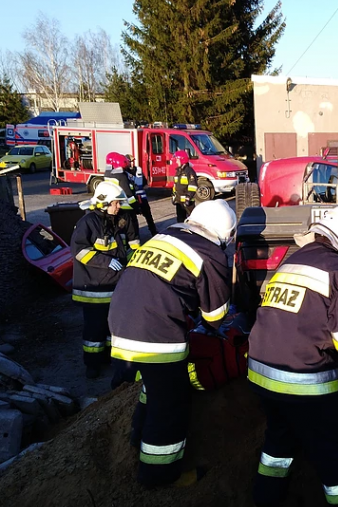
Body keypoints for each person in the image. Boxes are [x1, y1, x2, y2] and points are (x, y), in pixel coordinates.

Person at [247, 205, 338, 507]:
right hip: (302, 379)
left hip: (260, 371)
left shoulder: (289, 262)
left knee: (279, 441)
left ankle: (264, 504)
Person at [108, 199, 235, 487]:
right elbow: (215, 315)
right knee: (172, 404)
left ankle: (137, 436)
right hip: (156, 333)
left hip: (120, 322)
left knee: (153, 388)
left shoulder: (162, 237)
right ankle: (159, 475)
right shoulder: (210, 253)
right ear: (224, 235)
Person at [70, 180, 138, 380]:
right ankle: (92, 364)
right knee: (94, 330)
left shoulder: (120, 219)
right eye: (115, 203)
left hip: (115, 286)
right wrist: (105, 261)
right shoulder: (88, 223)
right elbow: (79, 251)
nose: (119, 206)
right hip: (94, 288)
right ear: (103, 203)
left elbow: (132, 243)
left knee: (112, 325)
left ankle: (109, 358)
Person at [124, 153, 157, 236]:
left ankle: (154, 232)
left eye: (133, 161)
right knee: (132, 219)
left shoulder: (138, 170)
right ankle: (135, 235)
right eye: (130, 161)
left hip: (142, 198)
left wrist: (144, 186)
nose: (132, 163)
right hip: (132, 198)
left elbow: (145, 183)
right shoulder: (124, 173)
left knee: (148, 216)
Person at [172, 150, 198, 223]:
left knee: (193, 221)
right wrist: (174, 196)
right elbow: (175, 186)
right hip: (179, 202)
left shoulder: (189, 171)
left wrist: (188, 197)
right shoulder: (178, 171)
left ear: (182, 159)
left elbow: (193, 186)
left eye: (177, 160)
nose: (176, 162)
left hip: (188, 202)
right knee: (180, 221)